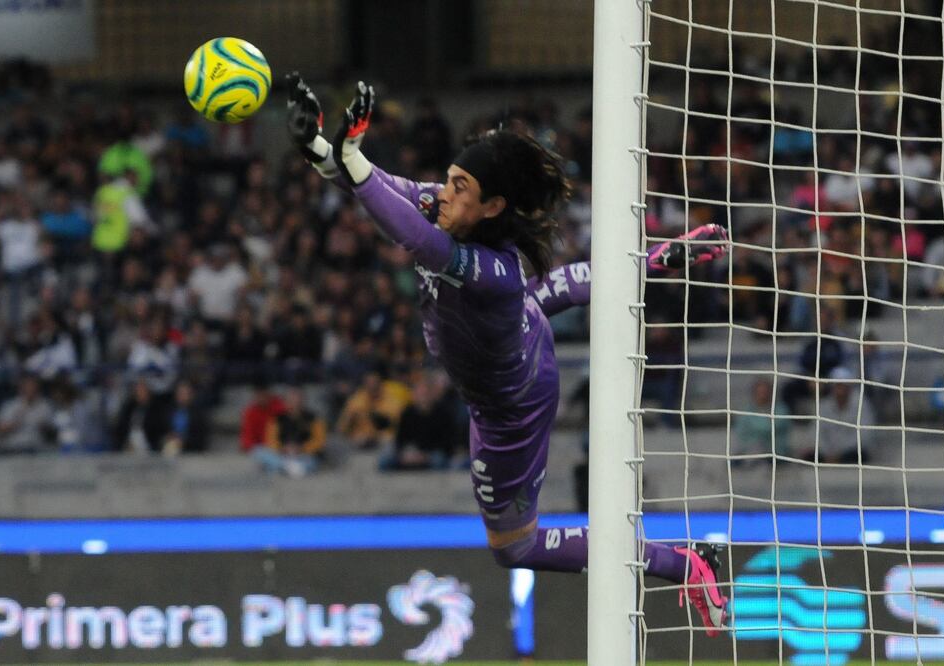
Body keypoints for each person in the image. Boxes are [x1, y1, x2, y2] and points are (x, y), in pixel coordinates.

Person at [286, 74, 730, 633]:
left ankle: (683, 563)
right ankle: (658, 259)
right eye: (447, 180)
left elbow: (413, 238)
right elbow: (377, 185)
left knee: (515, 547)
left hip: (511, 404)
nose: (442, 192)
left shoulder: (487, 272)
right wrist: (321, 148)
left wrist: (349, 157)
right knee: (554, 288)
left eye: (459, 187)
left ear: (493, 206)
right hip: (518, 332)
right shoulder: (456, 214)